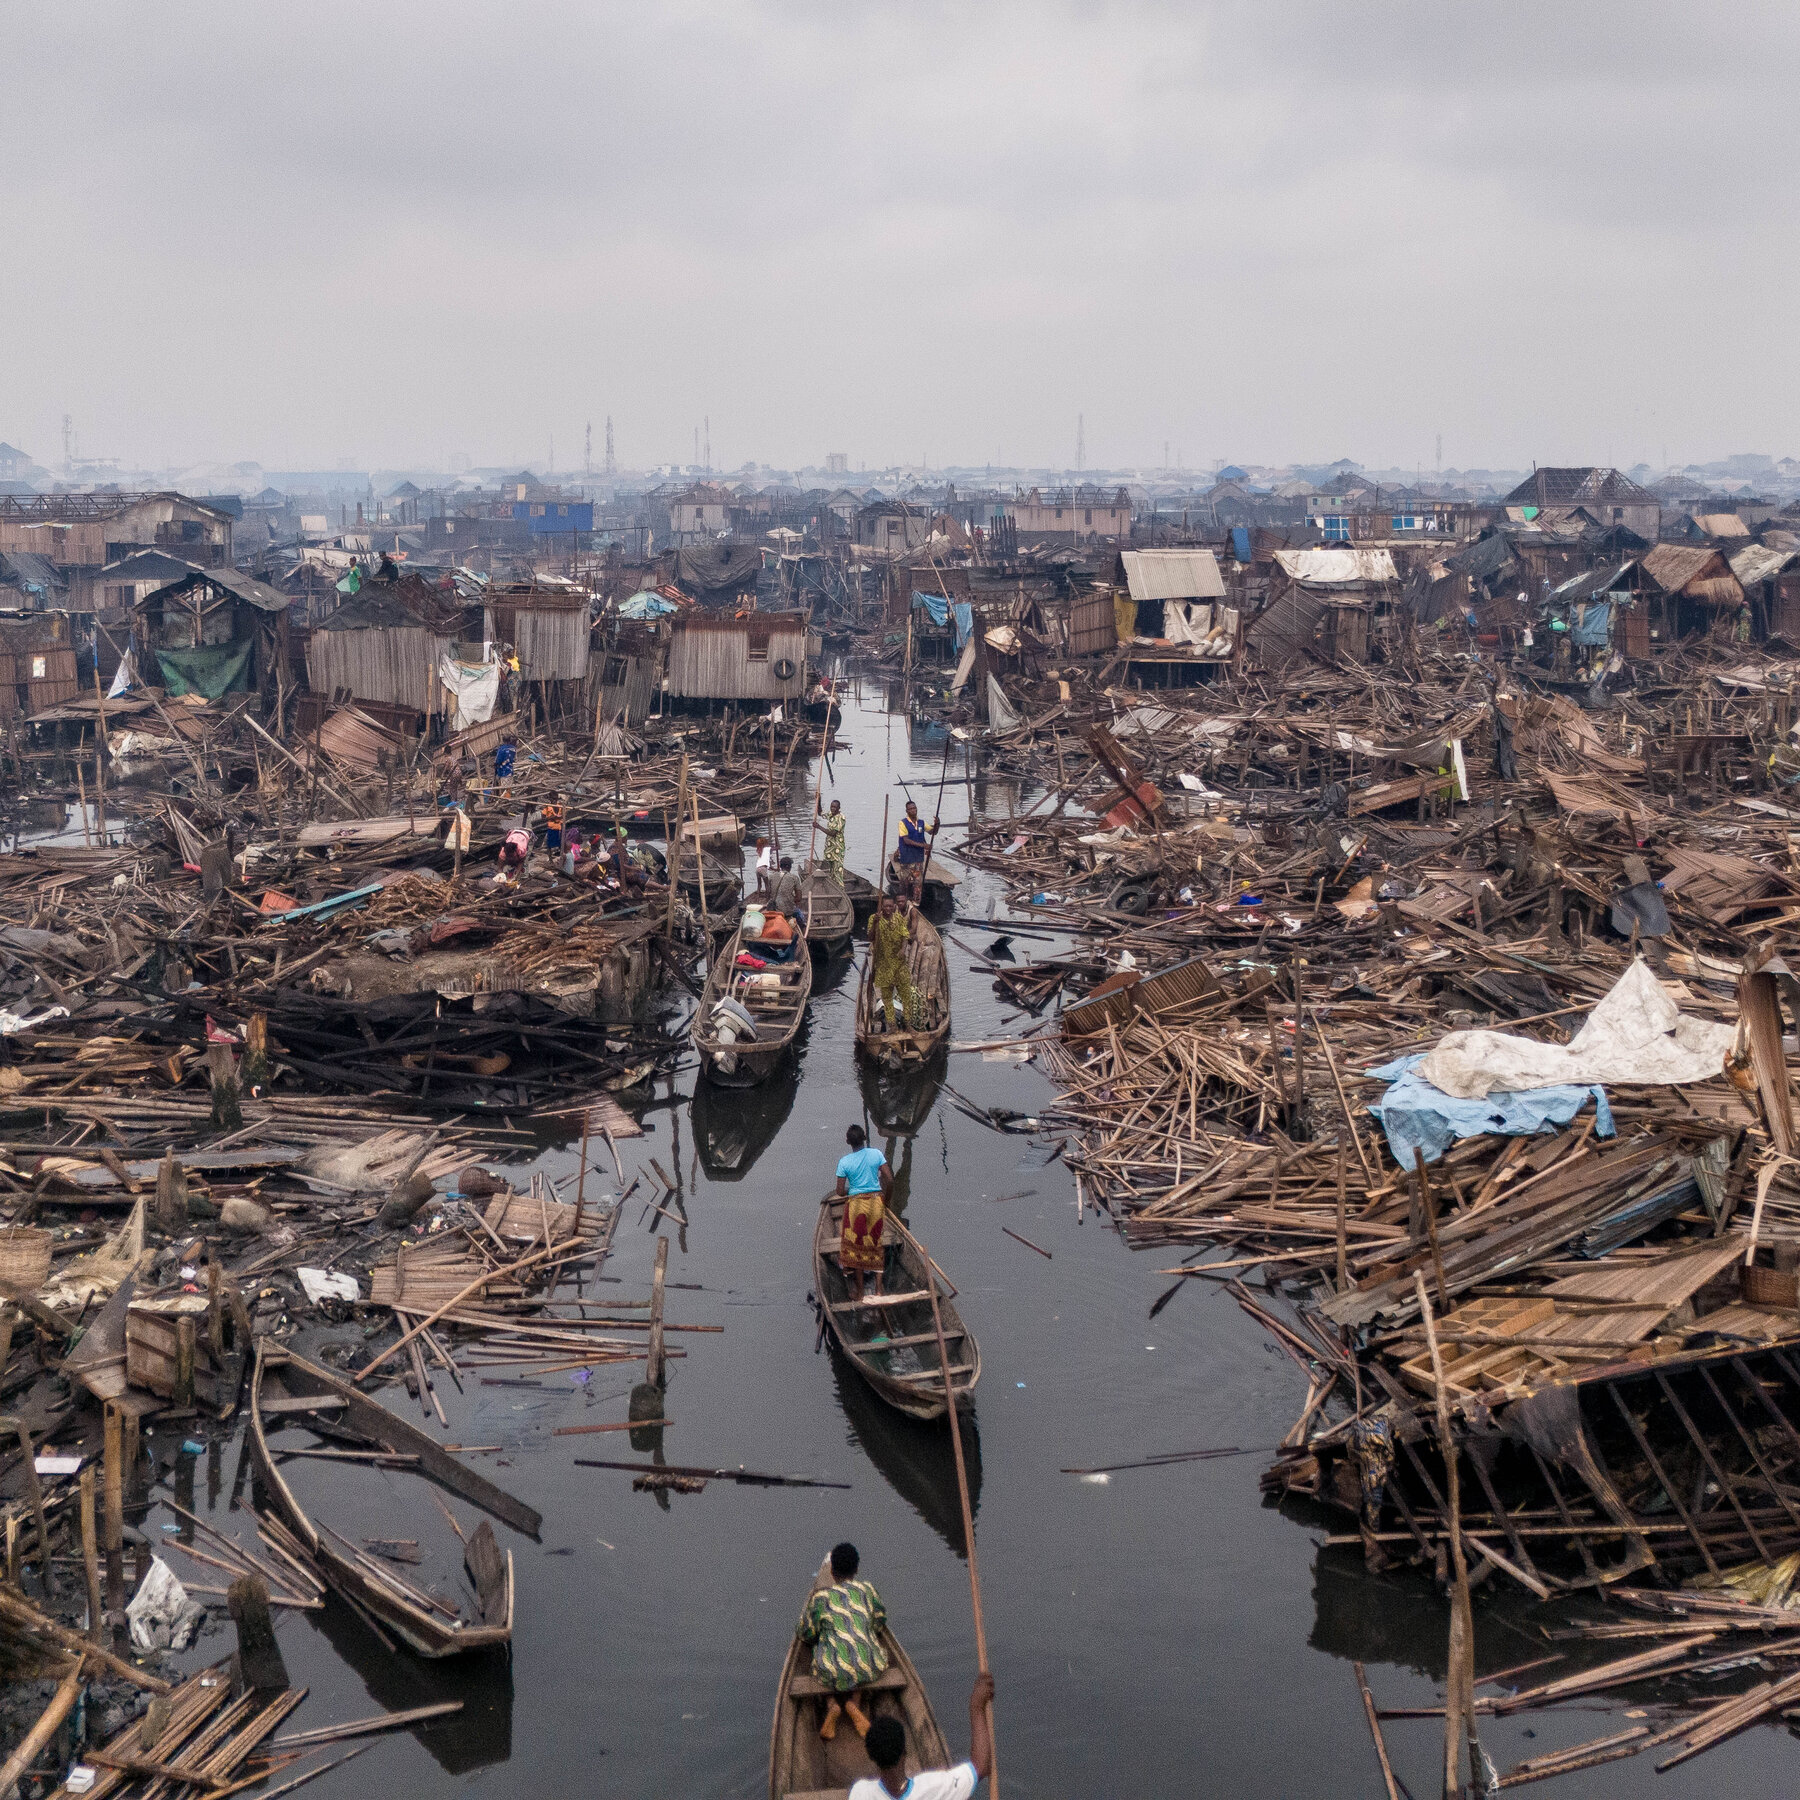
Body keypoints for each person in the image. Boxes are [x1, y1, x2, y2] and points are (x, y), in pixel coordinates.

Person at [796, 1542, 890, 1744]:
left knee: (820, 1654)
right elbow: (880, 1621)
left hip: (832, 1671)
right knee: (862, 1656)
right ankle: (854, 1703)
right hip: (868, 1669)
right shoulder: (868, 1590)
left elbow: (806, 1634)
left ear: (831, 1571)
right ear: (856, 1569)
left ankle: (832, 1705)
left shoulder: (821, 1598)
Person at [851, 1672, 996, 1800]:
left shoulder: (860, 1792)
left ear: (871, 1756)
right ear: (905, 1751)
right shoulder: (933, 1788)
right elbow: (980, 1767)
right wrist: (977, 1706)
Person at [834, 1124, 891, 1302]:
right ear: (864, 1138)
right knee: (876, 1243)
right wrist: (885, 1201)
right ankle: (879, 1290)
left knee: (857, 1247)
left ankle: (859, 1293)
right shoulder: (876, 1154)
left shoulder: (844, 1162)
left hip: (857, 1205)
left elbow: (840, 1191)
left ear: (847, 1141)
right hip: (876, 1202)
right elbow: (889, 1179)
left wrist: (851, 1191)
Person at [868, 896, 917, 1033]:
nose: (888, 909)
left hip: (899, 965)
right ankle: (893, 1027)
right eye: (886, 906)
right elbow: (870, 938)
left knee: (906, 997)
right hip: (883, 965)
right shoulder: (874, 919)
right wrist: (874, 925)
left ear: (894, 906)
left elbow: (905, 936)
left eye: (890, 906)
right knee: (887, 998)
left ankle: (907, 1024)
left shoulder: (899, 919)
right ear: (881, 906)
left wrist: (903, 949)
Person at [894, 800, 935, 903]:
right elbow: (906, 840)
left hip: (918, 859)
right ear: (907, 811)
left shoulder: (921, 822)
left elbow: (932, 832)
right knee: (904, 883)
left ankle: (915, 904)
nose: (913, 810)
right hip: (907, 858)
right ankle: (903, 903)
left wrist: (937, 824)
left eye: (914, 808)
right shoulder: (903, 823)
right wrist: (924, 845)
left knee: (918, 883)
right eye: (911, 809)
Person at [768, 854, 803, 920]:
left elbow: (768, 894)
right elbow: (799, 898)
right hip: (788, 912)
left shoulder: (771, 877)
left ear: (780, 866)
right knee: (799, 915)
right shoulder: (794, 878)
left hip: (773, 910)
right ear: (790, 867)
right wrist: (789, 900)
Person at [821, 798, 847, 884]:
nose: (832, 808)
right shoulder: (830, 814)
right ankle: (833, 886)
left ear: (839, 808)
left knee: (837, 871)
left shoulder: (841, 818)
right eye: (831, 807)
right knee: (831, 870)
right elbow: (820, 813)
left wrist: (818, 827)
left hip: (837, 847)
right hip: (830, 847)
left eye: (835, 807)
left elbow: (833, 833)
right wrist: (819, 799)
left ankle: (840, 890)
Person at [753, 835, 774, 899]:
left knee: (759, 885)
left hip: (757, 869)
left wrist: (775, 869)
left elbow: (767, 866)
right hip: (763, 869)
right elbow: (778, 847)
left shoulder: (759, 851)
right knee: (767, 885)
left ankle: (757, 897)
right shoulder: (766, 849)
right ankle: (767, 898)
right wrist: (776, 838)